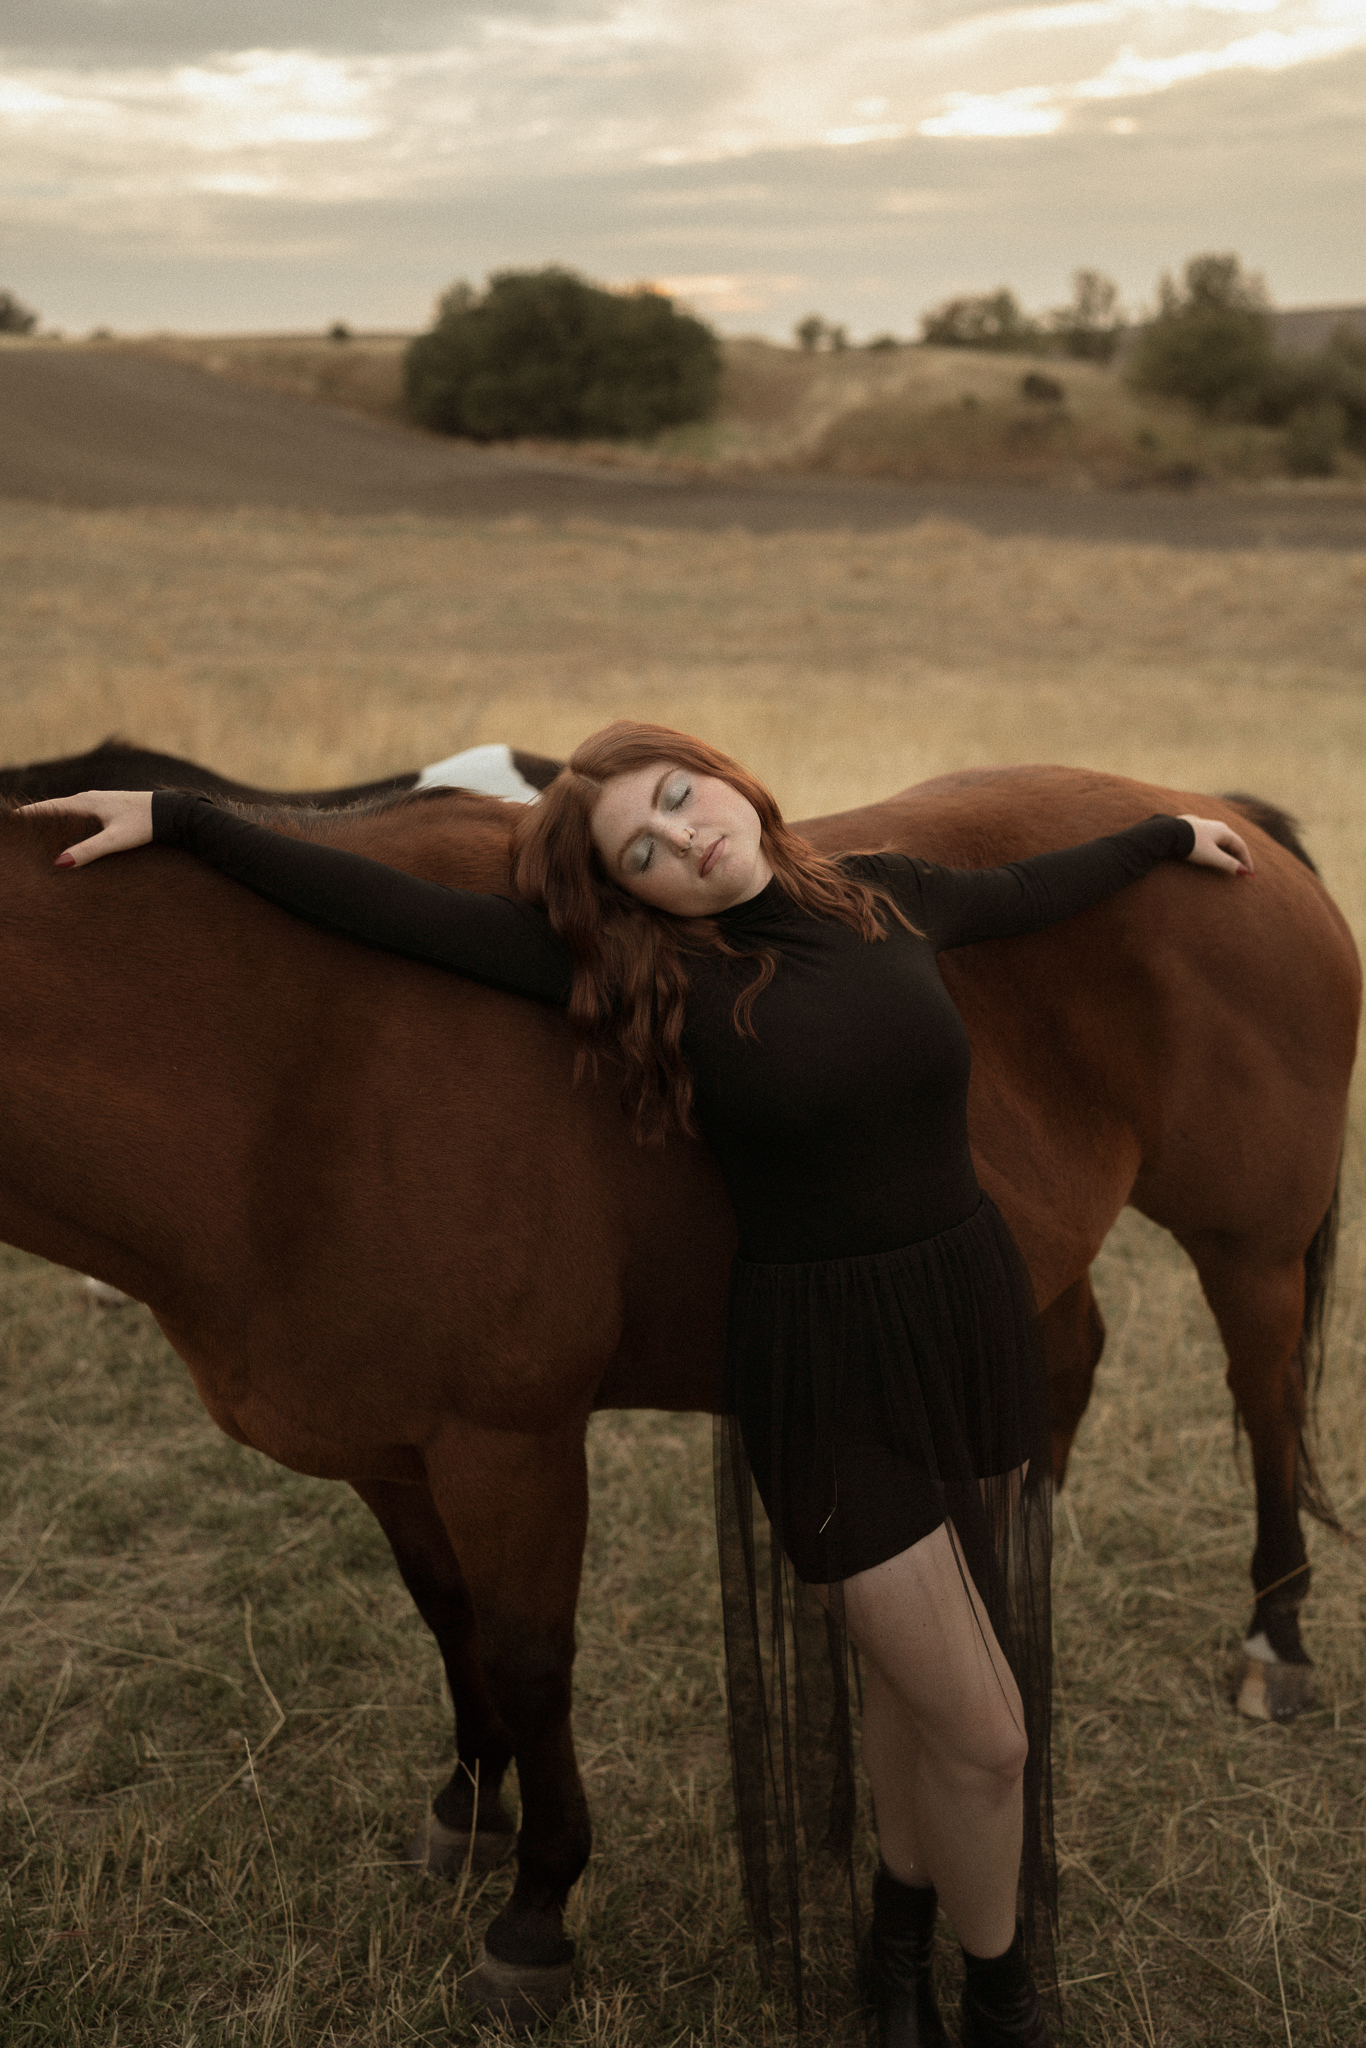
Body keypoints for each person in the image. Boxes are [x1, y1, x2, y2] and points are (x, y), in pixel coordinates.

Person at [25, 725, 1252, 2047]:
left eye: (678, 797)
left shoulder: (889, 894)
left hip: (966, 1326)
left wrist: (1168, 838)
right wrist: (192, 821)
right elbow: (378, 907)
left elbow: (1034, 887)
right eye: (643, 853)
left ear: (725, 776)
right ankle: (1002, 1998)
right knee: (991, 1735)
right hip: (819, 1367)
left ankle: (898, 1948)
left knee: (918, 1693)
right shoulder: (644, 974)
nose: (682, 837)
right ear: (632, 897)